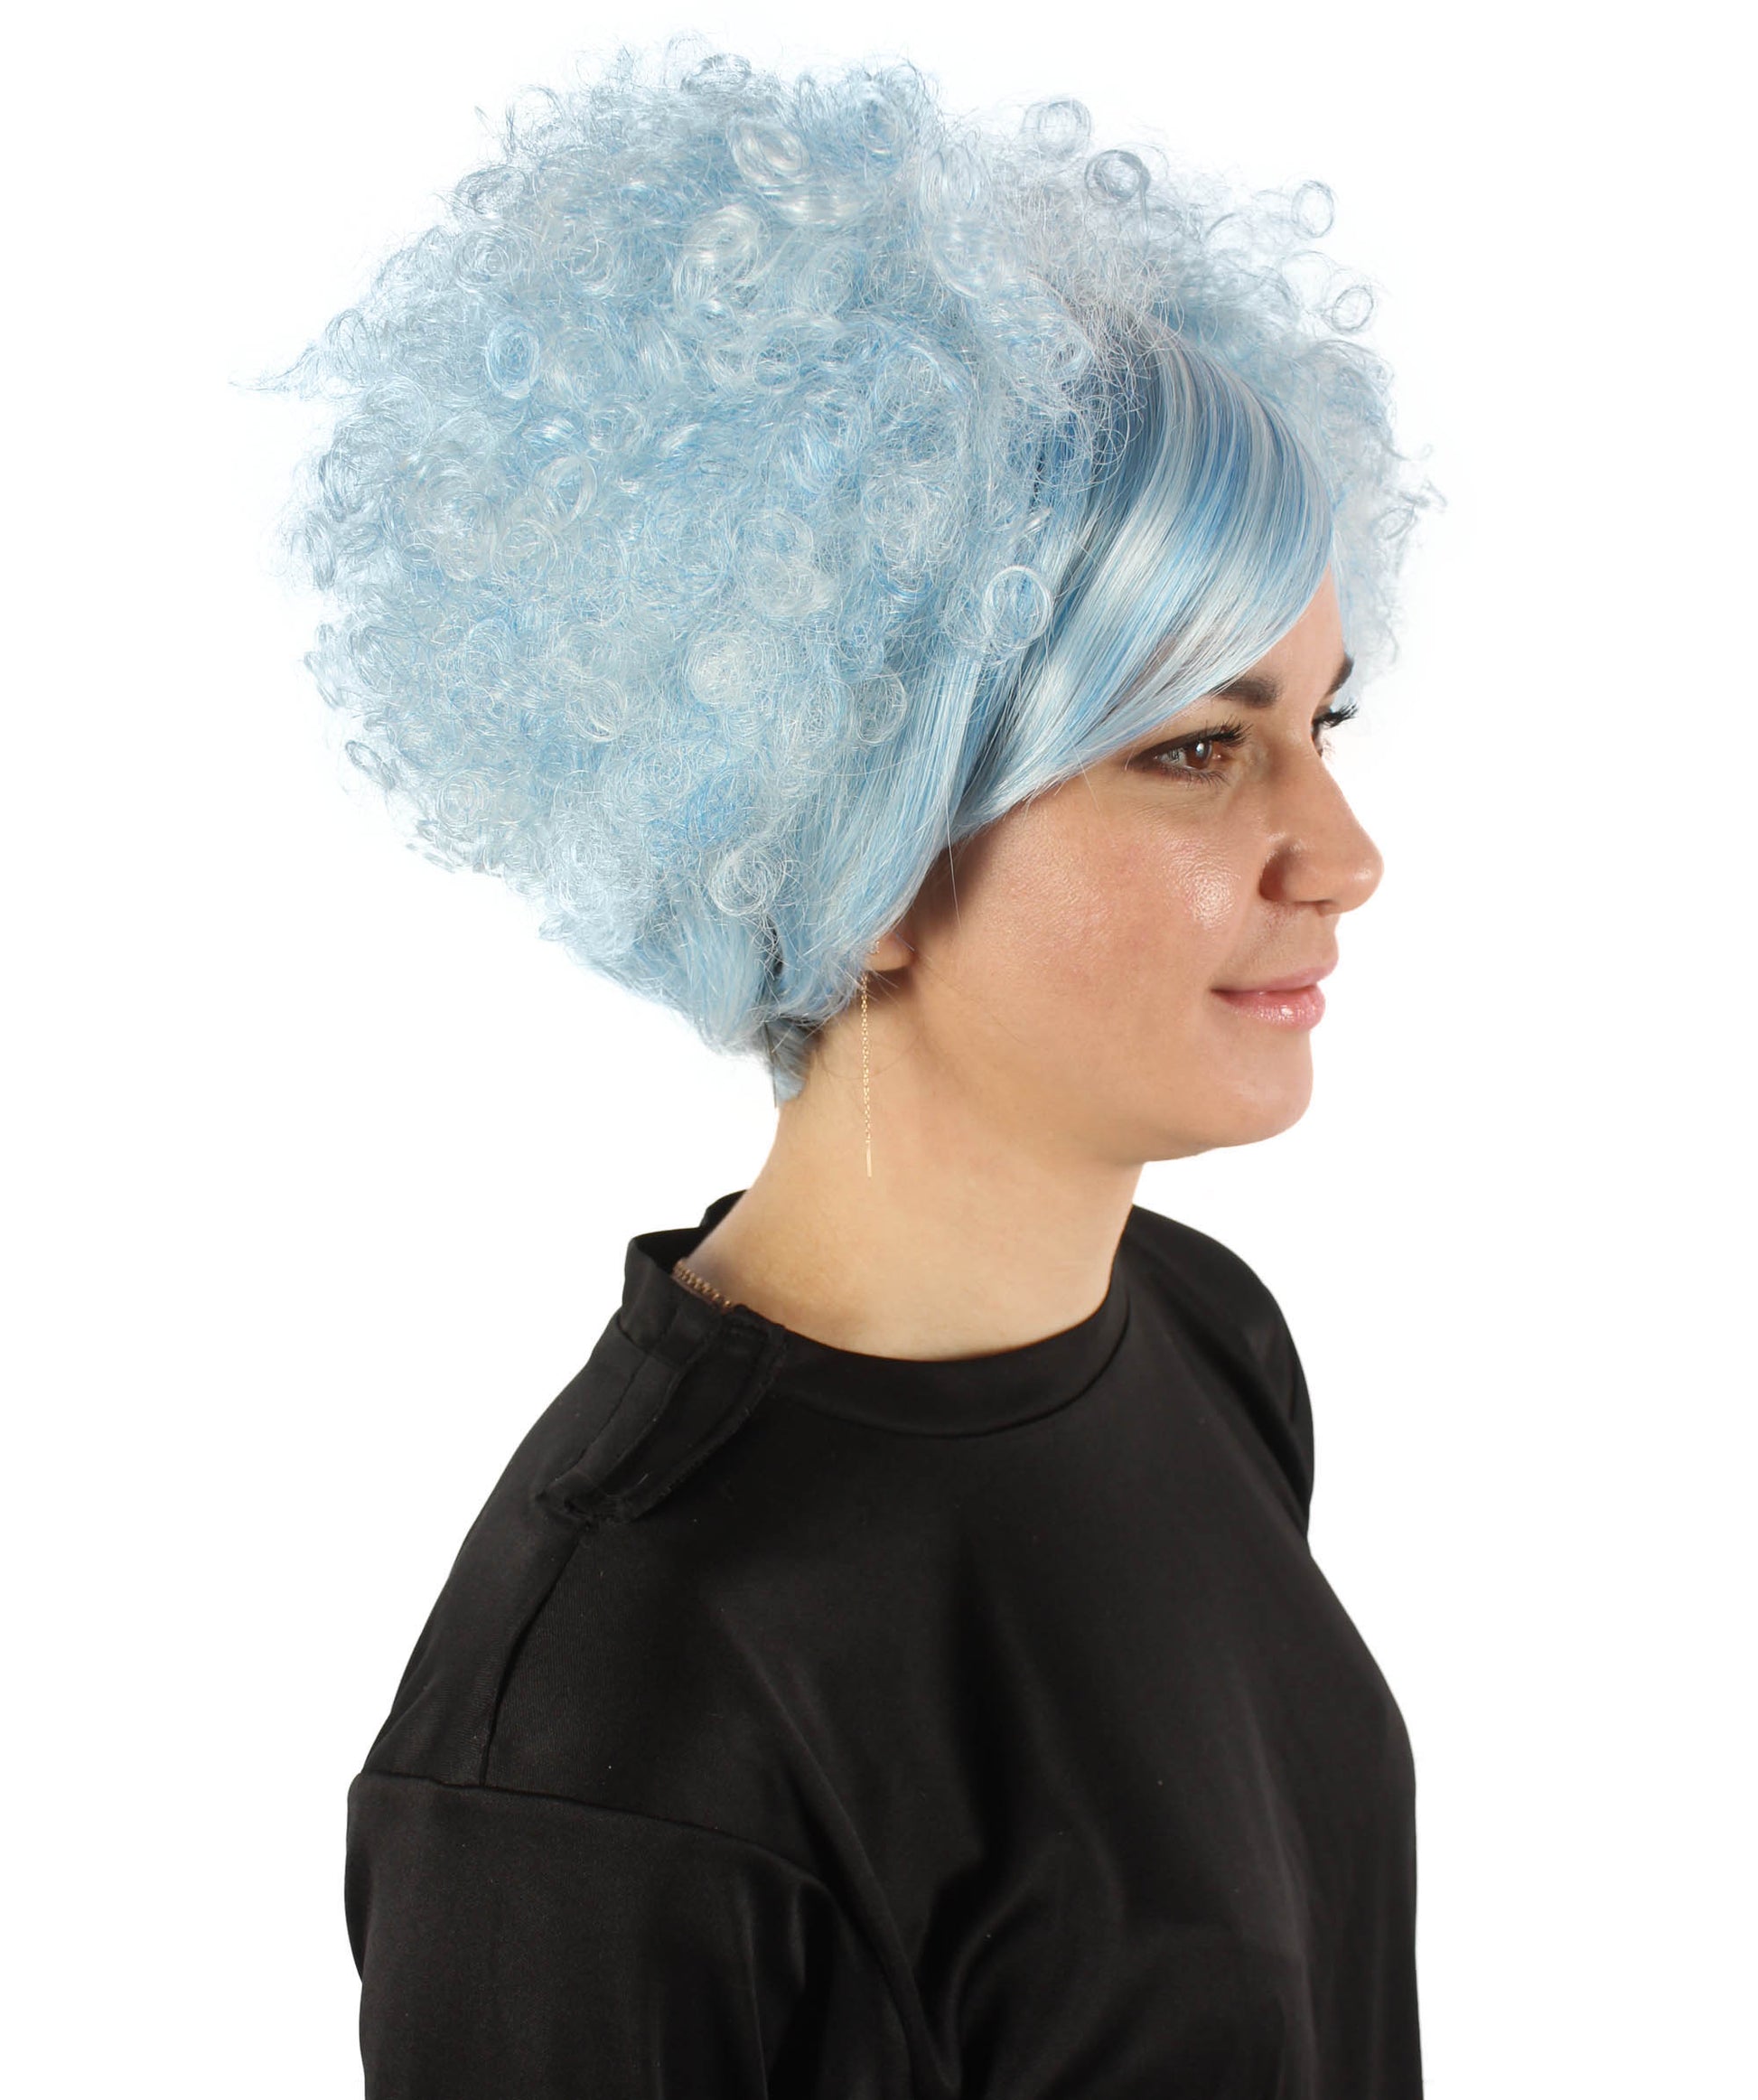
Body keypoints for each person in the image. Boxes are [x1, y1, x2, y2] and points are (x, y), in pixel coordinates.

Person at [268, 35, 1437, 2096]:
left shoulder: (1202, 1342)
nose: (1339, 854)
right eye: (1196, 746)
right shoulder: (606, 1739)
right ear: (861, 842)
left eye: (1319, 724)